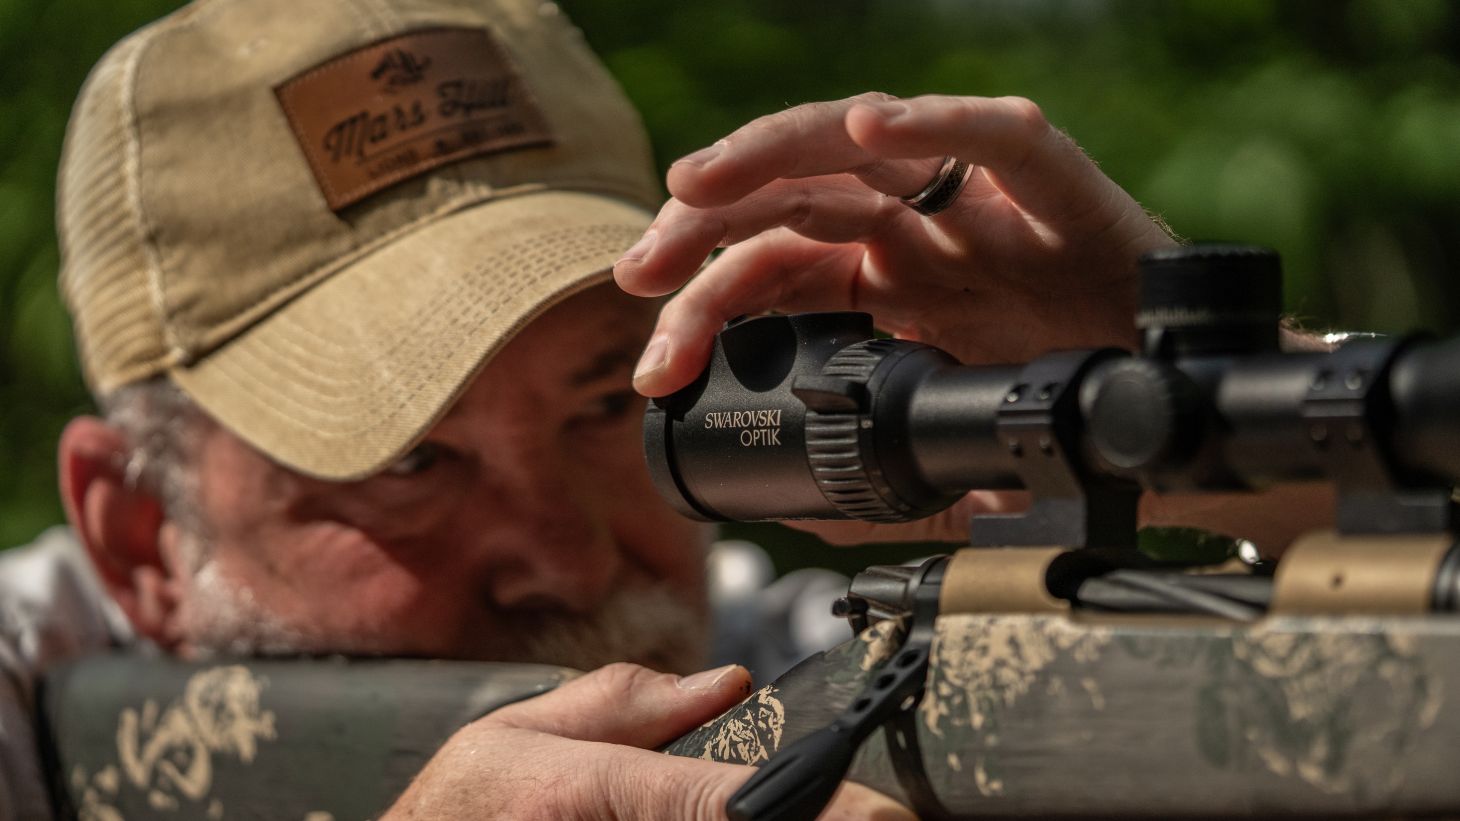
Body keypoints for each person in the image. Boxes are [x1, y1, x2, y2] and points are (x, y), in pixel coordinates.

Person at [0, 0, 1334, 817]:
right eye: (411, 459)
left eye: (606, 403)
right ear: (136, 534)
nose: (571, 553)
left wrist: (1231, 443)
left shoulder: (802, 672)